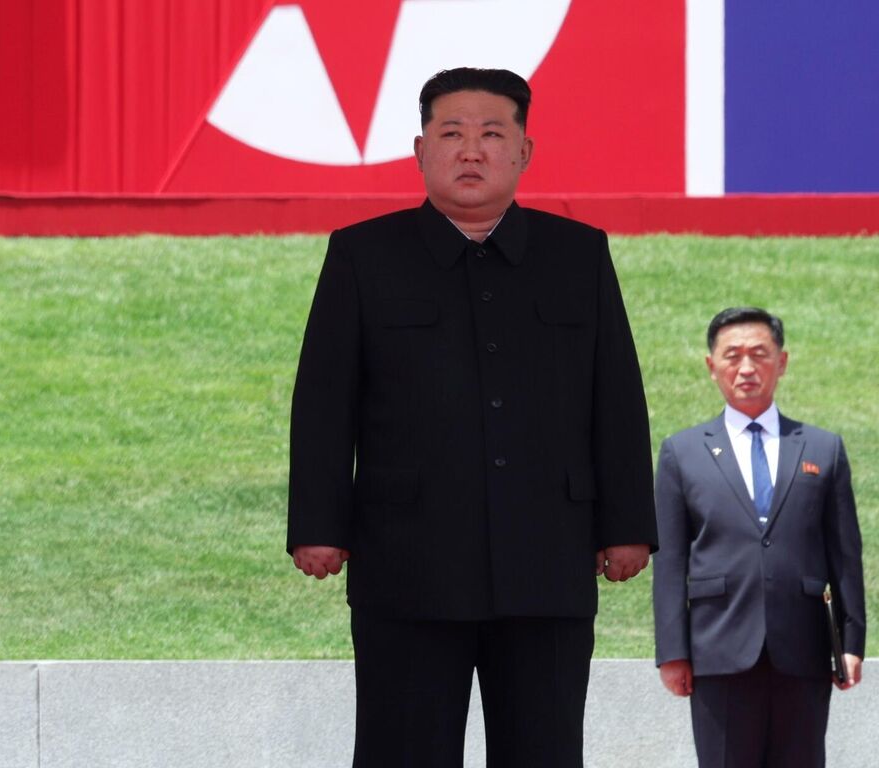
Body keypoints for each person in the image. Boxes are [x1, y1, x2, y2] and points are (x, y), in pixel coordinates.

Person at [285, 67, 656, 766]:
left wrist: (628, 525)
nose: (471, 150)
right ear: (420, 151)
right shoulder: (364, 256)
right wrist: (317, 526)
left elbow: (614, 397)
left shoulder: (578, 256)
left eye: (493, 134)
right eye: (451, 133)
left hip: (547, 562)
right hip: (408, 567)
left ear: (524, 152)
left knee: (544, 751)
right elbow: (325, 404)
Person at [652, 307, 864, 766]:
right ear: (712, 367)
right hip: (718, 652)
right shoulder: (681, 453)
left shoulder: (823, 448)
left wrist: (851, 643)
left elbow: (845, 555)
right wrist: (672, 651)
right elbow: (669, 563)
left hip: (803, 650)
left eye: (759, 354)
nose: (746, 367)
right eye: (733, 356)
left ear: (781, 362)